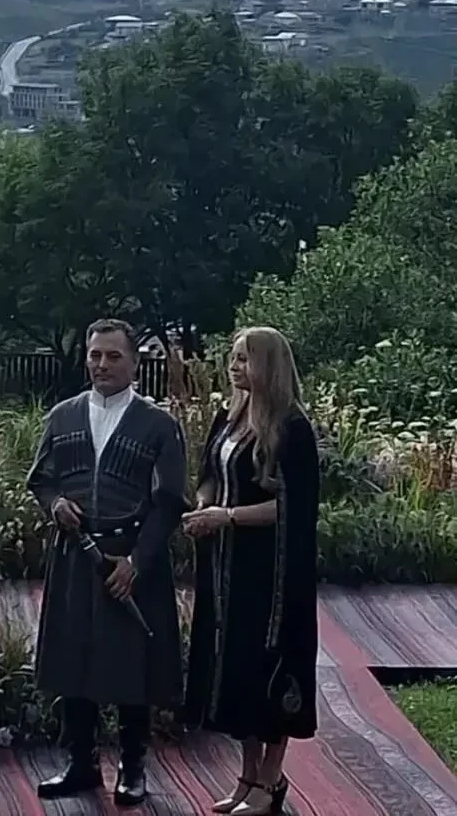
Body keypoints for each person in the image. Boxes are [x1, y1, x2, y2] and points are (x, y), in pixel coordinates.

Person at [27, 319, 186, 807]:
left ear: (135, 362)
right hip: (76, 556)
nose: (102, 365)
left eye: (113, 356)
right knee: (74, 658)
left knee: (132, 665)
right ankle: (81, 763)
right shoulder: (63, 415)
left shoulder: (158, 425)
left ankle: (133, 767)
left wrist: (136, 562)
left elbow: (170, 502)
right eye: (95, 355)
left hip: (131, 558)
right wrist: (55, 505)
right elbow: (41, 480)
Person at [184, 326, 319, 816]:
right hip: (226, 566)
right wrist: (204, 505)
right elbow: (209, 475)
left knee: (269, 666)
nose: (234, 366)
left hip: (271, 572)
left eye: (244, 358)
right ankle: (247, 775)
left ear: (269, 365)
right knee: (235, 665)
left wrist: (227, 517)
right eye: (233, 357)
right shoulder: (229, 416)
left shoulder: (292, 428)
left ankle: (271, 779)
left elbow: (292, 508)